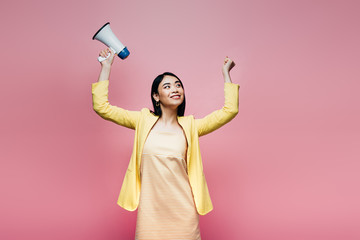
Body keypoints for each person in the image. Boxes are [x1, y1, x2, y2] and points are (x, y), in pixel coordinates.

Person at [92, 48, 240, 239]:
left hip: (183, 211)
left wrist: (226, 74)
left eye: (178, 85)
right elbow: (102, 107)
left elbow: (229, 110)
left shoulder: (191, 127)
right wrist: (106, 67)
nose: (175, 89)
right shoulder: (142, 120)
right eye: (167, 86)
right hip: (150, 213)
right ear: (156, 96)